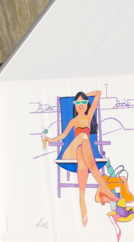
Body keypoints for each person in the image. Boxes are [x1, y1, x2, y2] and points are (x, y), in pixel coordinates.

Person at [45, 90, 117, 226]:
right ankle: (106, 190)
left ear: (87, 104)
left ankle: (82, 204)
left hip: (82, 153)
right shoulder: (74, 120)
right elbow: (63, 135)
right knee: (84, 138)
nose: (80, 105)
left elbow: (98, 93)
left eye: (83, 102)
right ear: (75, 106)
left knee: (85, 168)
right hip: (71, 150)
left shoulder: (89, 117)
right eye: (77, 103)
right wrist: (50, 139)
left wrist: (85, 95)